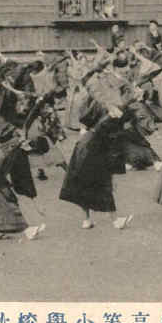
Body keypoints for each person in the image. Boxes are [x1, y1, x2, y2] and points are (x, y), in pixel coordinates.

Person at [59, 94, 134, 230]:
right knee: (104, 184)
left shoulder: (101, 105)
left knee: (83, 184)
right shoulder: (113, 120)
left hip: (82, 147)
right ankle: (115, 220)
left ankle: (87, 220)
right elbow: (112, 148)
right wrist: (114, 174)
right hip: (94, 149)